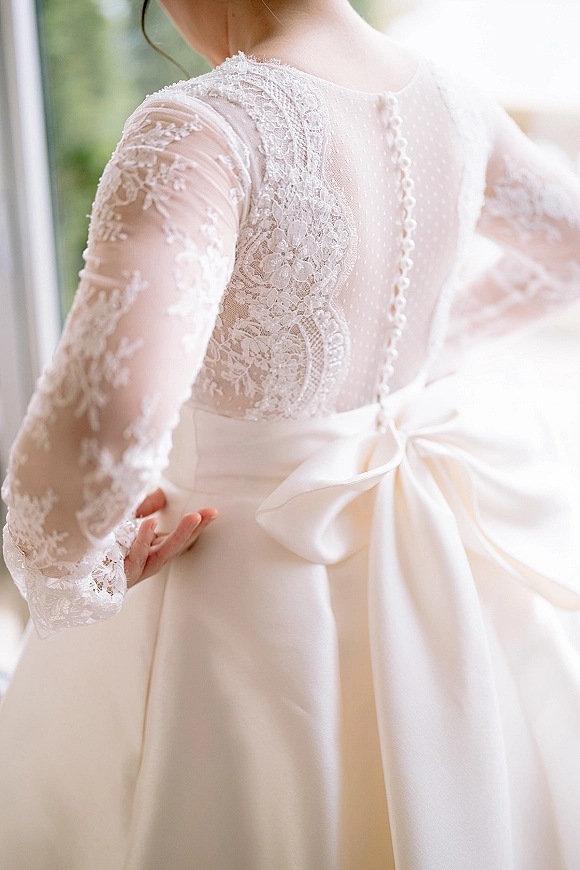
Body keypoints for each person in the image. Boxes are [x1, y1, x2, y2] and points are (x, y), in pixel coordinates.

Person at [1, 0, 580, 867]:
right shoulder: (457, 102)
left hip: (230, 589)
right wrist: (420, 361)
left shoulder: (202, 127)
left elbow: (111, 426)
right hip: (437, 573)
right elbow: (569, 247)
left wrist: (60, 563)